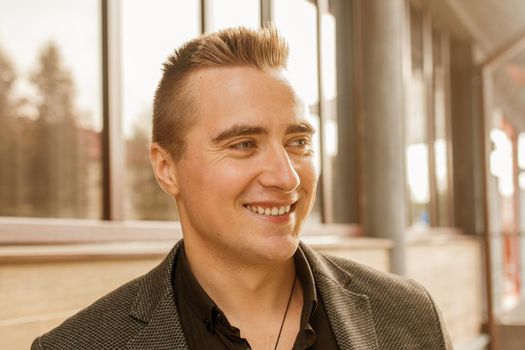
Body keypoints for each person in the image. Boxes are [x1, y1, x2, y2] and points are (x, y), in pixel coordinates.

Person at [32, 26, 452, 350]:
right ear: (166, 168)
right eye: (244, 144)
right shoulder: (78, 345)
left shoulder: (411, 316)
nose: (286, 177)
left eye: (298, 142)